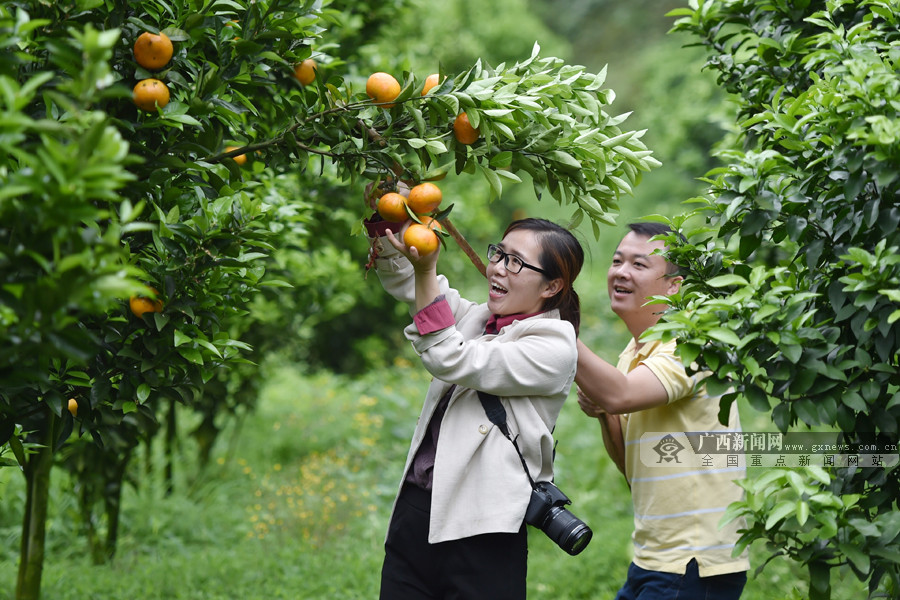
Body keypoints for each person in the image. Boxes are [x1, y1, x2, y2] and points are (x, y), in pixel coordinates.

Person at [364, 206, 585, 600]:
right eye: (499, 253)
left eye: (516, 262)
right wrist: (391, 213)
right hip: (417, 510)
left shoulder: (553, 346)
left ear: (552, 286)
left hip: (484, 525)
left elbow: (450, 356)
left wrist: (427, 271)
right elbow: (408, 281)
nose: (498, 267)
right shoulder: (477, 319)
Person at [575, 222, 749, 599]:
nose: (621, 272)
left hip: (695, 562)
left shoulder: (691, 343)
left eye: (638, 264)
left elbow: (620, 394)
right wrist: (605, 413)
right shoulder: (632, 354)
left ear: (674, 286)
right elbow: (632, 465)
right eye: (617, 261)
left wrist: (555, 331)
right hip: (655, 559)